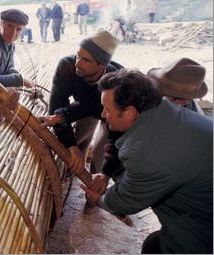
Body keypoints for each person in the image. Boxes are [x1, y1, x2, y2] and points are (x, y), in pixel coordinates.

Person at [82, 70, 212, 254]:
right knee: (154, 244)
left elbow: (127, 201)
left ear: (130, 113)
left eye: (107, 109)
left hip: (204, 218)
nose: (103, 115)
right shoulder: (163, 106)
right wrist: (106, 174)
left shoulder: (144, 153)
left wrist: (101, 200)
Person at [39, 31, 122, 177]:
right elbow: (56, 108)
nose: (77, 62)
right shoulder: (67, 66)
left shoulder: (117, 81)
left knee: (100, 154)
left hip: (108, 112)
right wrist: (72, 146)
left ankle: (94, 186)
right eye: (78, 55)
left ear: (101, 64)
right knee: (77, 141)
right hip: (80, 106)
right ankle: (75, 172)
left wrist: (104, 174)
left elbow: (98, 109)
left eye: (86, 60)